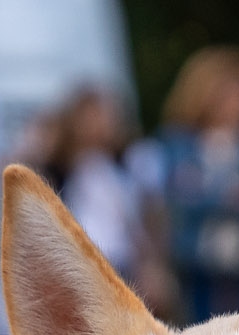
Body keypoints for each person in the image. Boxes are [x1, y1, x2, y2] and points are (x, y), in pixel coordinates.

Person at [151, 46, 239, 323]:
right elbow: (177, 202)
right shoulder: (178, 143)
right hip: (197, 269)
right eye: (235, 90)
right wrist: (231, 197)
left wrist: (207, 195)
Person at [43, 87, 164, 303]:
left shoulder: (127, 165)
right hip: (78, 259)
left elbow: (138, 219)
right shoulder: (60, 169)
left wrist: (150, 264)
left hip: (121, 260)